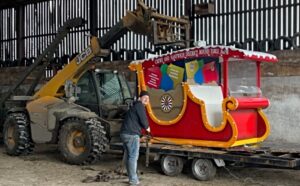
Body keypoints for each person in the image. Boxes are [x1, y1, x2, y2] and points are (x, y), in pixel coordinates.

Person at [120, 90, 150, 186]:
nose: (146, 99)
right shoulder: (139, 106)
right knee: (133, 157)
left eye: (148, 98)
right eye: (144, 97)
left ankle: (131, 178)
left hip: (125, 134)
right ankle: (133, 180)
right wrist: (148, 129)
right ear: (140, 98)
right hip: (131, 135)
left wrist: (140, 136)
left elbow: (134, 122)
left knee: (130, 157)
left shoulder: (134, 106)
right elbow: (144, 121)